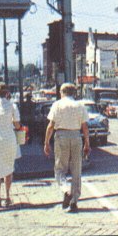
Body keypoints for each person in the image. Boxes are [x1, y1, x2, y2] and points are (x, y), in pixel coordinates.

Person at [44, 83, 90, 212]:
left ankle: (66, 189)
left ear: (62, 92)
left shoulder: (57, 105)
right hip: (76, 136)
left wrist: (46, 142)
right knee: (77, 169)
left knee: (60, 168)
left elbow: (51, 125)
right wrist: (87, 143)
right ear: (73, 93)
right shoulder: (80, 105)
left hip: (61, 136)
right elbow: (85, 127)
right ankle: (74, 200)